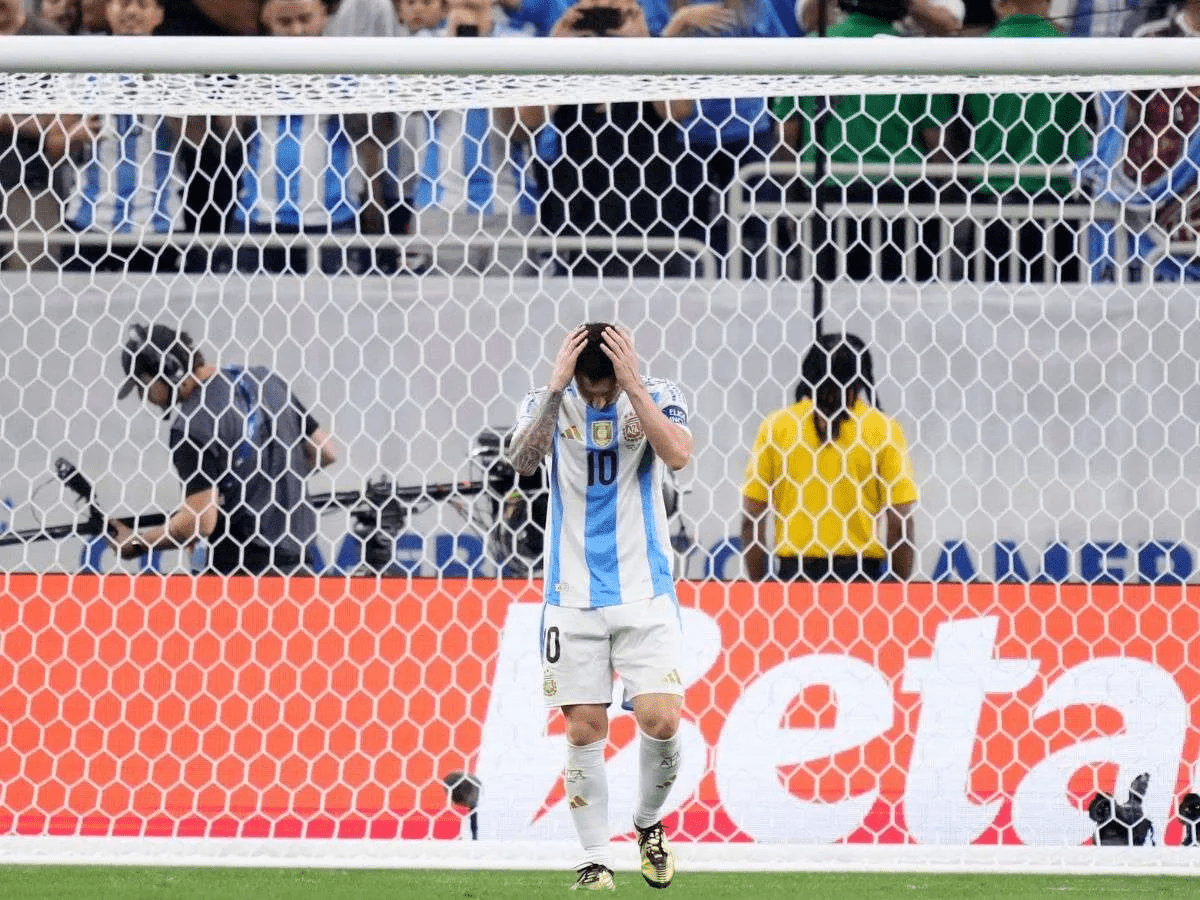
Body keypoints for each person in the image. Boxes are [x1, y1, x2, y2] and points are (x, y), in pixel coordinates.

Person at [505, 322, 691, 892]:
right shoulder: (549, 402)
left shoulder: (659, 396)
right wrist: (558, 387)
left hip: (645, 591)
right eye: (590, 386)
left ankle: (647, 824)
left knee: (661, 719)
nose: (598, 397)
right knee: (585, 730)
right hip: (572, 597)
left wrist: (633, 387)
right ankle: (593, 860)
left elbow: (679, 455)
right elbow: (522, 461)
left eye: (605, 384)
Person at [110, 323, 338, 575]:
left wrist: (135, 544)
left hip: (243, 579)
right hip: (304, 570)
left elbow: (199, 523)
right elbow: (324, 451)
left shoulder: (193, 424)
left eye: (143, 385)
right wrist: (265, 480)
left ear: (168, 368)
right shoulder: (266, 380)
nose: (145, 397)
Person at [515, 0, 694, 277]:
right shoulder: (570, 59)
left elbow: (678, 109)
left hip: (652, 226)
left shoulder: (655, 51)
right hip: (581, 227)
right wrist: (556, 46)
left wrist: (643, 43)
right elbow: (527, 121)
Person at [740, 334, 918, 582]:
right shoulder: (883, 429)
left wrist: (760, 584)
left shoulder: (777, 426)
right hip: (858, 578)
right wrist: (899, 586)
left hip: (795, 577)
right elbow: (899, 521)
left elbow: (751, 518)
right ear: (863, 374)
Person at [964, 0, 1093, 282]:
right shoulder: (1069, 51)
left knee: (987, 310)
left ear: (998, 4)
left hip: (992, 199)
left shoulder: (978, 52)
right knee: (1058, 312)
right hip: (1056, 200)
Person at [59, 0, 185, 273]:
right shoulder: (83, 64)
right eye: (123, 2)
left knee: (157, 313)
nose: (131, 11)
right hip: (89, 219)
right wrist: (76, 135)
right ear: (107, 10)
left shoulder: (178, 66)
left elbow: (203, 140)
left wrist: (171, 104)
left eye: (142, 3)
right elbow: (54, 143)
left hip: (158, 221)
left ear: (159, 13)